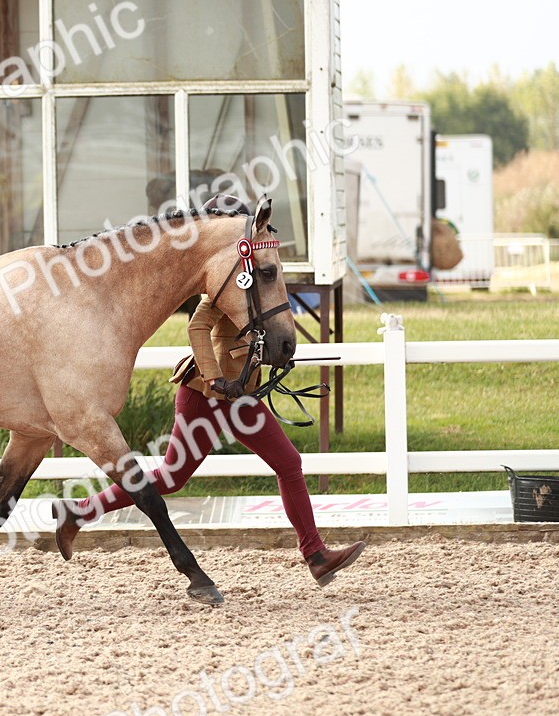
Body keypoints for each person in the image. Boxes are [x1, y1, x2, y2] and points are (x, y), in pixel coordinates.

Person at [52, 201, 365, 588]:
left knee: (288, 463)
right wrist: (216, 380)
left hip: (241, 396)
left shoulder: (246, 279)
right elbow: (197, 328)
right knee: (171, 476)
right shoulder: (223, 285)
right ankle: (81, 509)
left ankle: (315, 555)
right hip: (207, 395)